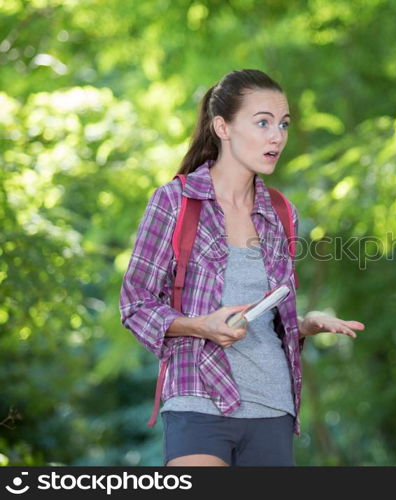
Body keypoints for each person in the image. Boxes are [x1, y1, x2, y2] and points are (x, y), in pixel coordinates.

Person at [119, 69, 364, 466]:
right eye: (263, 122)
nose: (277, 136)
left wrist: (302, 326)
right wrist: (201, 326)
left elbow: (265, 318)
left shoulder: (282, 214)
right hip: (196, 393)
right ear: (223, 127)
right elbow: (134, 304)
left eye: (283, 124)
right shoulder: (175, 202)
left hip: (272, 404)